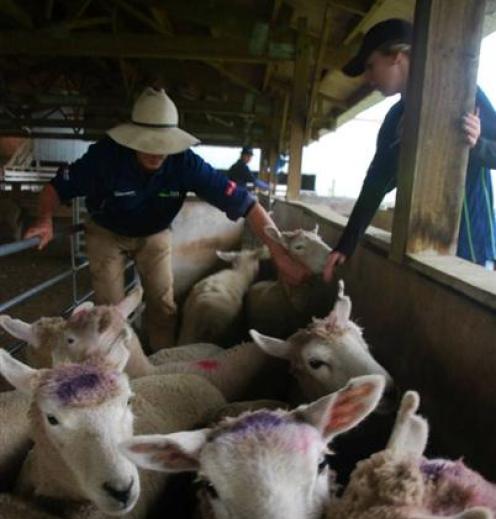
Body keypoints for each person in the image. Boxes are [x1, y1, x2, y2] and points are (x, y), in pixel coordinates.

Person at [24, 88, 309, 350]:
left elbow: (246, 204)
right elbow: (56, 188)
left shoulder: (185, 163)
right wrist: (45, 218)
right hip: (106, 232)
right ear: (131, 139)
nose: (157, 152)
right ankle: (114, 369)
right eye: (148, 143)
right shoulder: (105, 158)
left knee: (163, 305)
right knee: (109, 311)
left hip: (155, 233)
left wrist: (280, 254)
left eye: (164, 144)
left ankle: (161, 367)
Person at [324, 18, 496, 282]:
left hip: (471, 250)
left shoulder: (461, 93)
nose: (368, 79)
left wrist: (478, 147)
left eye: (371, 66)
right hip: (422, 248)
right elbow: (376, 183)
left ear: (397, 56)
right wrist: (345, 245)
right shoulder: (395, 119)